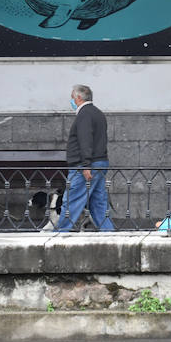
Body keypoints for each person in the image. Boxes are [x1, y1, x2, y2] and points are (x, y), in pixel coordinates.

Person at [53, 84, 115, 232]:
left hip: (86, 165)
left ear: (78, 97)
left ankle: (61, 232)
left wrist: (86, 165)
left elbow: (85, 140)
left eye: (72, 97)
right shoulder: (98, 113)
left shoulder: (84, 114)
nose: (71, 100)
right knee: (98, 201)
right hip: (100, 162)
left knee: (72, 199)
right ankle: (108, 232)